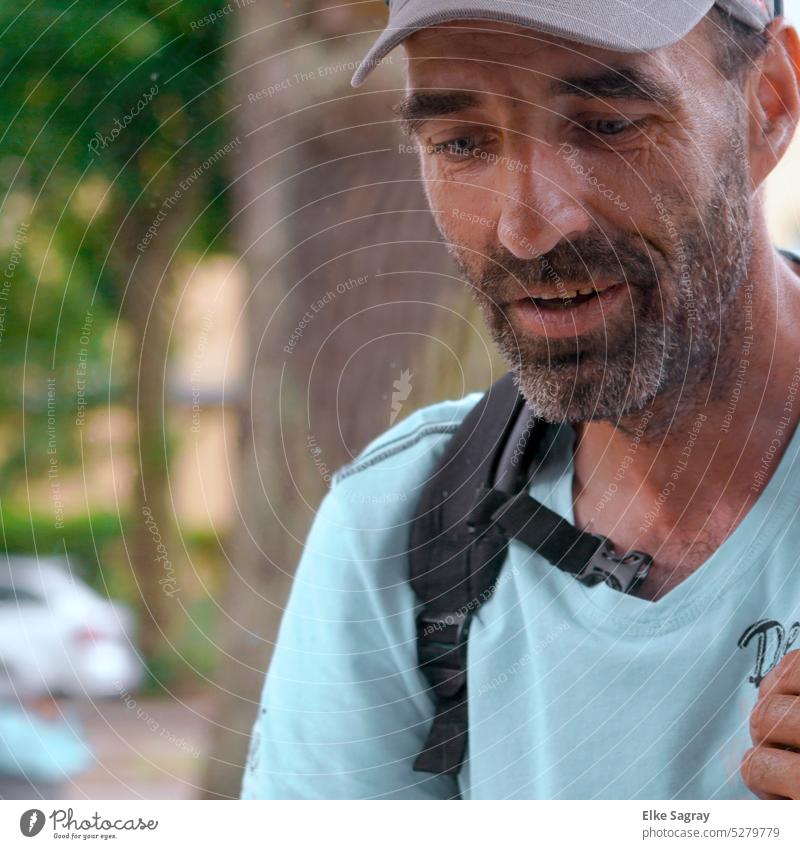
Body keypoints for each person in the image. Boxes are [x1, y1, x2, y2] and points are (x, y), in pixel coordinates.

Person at [242, 0, 800, 799]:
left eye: (609, 124)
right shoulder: (395, 534)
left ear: (768, 105)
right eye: (463, 142)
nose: (528, 228)